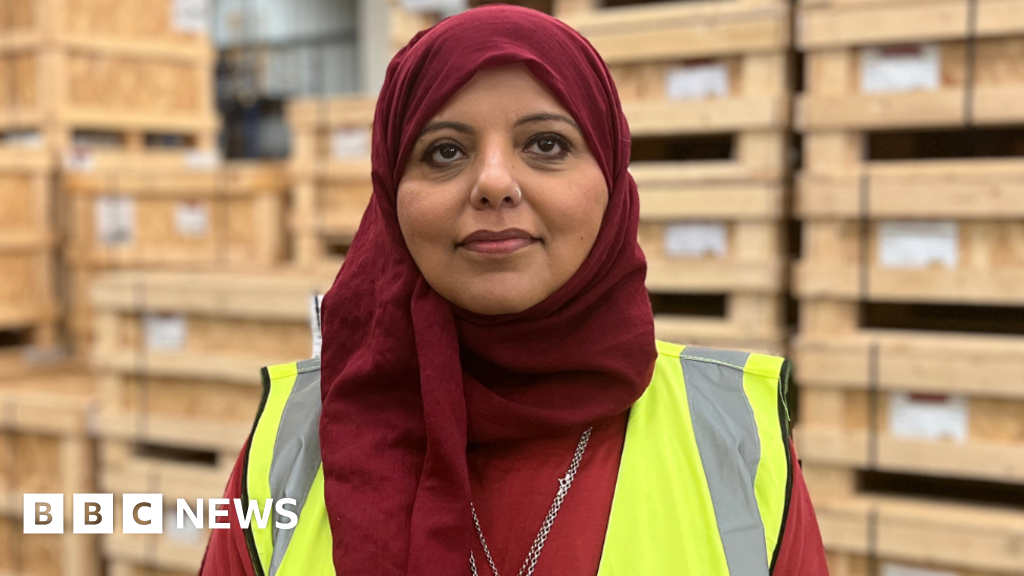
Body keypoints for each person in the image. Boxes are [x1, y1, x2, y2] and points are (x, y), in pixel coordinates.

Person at [199, 5, 828, 576]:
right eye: (444, 152)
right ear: (391, 195)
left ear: (611, 181)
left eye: (546, 144)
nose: (494, 183)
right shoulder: (290, 445)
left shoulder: (736, 443)